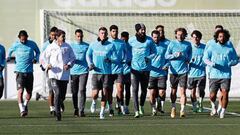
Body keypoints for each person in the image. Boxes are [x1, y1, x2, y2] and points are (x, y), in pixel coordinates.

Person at [41, 29, 75, 121]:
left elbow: (73, 58)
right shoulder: (50, 47)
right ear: (57, 37)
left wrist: (68, 65)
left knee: (62, 96)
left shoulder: (67, 47)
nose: (64, 38)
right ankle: (57, 113)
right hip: (53, 73)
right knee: (57, 92)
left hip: (64, 75)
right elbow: (43, 57)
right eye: (62, 36)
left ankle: (59, 103)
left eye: (64, 36)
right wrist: (46, 65)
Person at [203, 29, 238, 118]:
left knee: (225, 93)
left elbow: (236, 59)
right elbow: (205, 58)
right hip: (214, 75)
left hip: (226, 75)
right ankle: (214, 106)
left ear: (226, 37)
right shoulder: (212, 47)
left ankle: (223, 110)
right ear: (217, 38)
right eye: (220, 37)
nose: (222, 38)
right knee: (212, 95)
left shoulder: (229, 48)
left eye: (223, 36)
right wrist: (211, 64)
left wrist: (232, 62)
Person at [7, 30, 40, 117]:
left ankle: (25, 105)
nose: (23, 41)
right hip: (19, 71)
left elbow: (38, 52)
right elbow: (9, 51)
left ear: (27, 38)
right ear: (19, 38)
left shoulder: (32, 44)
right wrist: (8, 57)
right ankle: (22, 110)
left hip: (29, 71)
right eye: (22, 40)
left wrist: (36, 58)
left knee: (29, 93)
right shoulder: (16, 44)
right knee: (20, 91)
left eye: (25, 39)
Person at [87, 27, 117, 119]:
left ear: (107, 34)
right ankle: (94, 102)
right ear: (98, 34)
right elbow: (88, 55)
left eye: (104, 33)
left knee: (105, 92)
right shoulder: (93, 44)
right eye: (101, 33)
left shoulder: (111, 45)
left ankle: (102, 112)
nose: (103, 35)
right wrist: (90, 63)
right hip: (96, 72)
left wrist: (110, 59)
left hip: (107, 73)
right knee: (95, 93)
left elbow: (116, 58)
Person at [129, 23, 156, 118]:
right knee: (135, 90)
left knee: (144, 90)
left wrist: (149, 57)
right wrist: (128, 60)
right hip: (134, 69)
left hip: (146, 69)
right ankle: (136, 111)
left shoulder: (149, 40)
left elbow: (154, 52)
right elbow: (127, 51)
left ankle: (141, 106)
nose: (143, 31)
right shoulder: (131, 40)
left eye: (144, 29)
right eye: (141, 29)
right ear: (137, 30)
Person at [165, 27, 192, 118]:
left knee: (183, 91)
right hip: (173, 71)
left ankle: (182, 110)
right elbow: (166, 56)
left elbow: (189, 57)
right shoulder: (171, 44)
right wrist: (175, 55)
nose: (180, 36)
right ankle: (173, 107)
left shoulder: (188, 45)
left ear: (185, 35)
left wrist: (188, 59)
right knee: (173, 91)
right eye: (178, 34)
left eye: (182, 35)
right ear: (176, 35)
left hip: (183, 71)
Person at [148, 30, 169, 116]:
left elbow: (168, 58)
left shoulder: (164, 47)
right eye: (154, 37)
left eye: (157, 37)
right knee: (152, 93)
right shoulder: (148, 47)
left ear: (160, 37)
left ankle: (159, 104)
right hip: (151, 73)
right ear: (152, 37)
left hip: (162, 73)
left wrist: (167, 65)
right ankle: (153, 109)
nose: (156, 39)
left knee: (162, 92)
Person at [38, 26, 58, 116]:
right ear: (50, 35)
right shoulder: (46, 45)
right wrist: (43, 66)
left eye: (55, 35)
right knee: (51, 90)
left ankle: (59, 102)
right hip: (50, 71)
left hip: (59, 71)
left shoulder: (60, 44)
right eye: (52, 35)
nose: (53, 37)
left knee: (59, 90)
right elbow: (41, 58)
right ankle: (52, 108)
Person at [70, 29, 89, 117]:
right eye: (78, 36)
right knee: (74, 92)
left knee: (82, 90)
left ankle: (81, 110)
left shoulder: (87, 46)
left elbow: (90, 56)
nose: (79, 38)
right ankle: (76, 109)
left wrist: (91, 64)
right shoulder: (71, 46)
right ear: (75, 36)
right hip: (73, 71)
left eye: (81, 36)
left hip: (84, 71)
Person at [108, 25, 126, 116]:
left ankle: (119, 105)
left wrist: (125, 59)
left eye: (116, 31)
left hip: (119, 69)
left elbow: (126, 54)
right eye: (113, 31)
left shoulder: (122, 43)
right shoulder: (107, 43)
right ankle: (111, 108)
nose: (115, 33)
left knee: (120, 89)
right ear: (110, 32)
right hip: (109, 70)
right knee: (109, 91)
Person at [188, 30, 206, 113]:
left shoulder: (205, 47)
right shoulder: (189, 47)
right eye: (194, 37)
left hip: (202, 73)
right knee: (192, 91)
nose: (195, 39)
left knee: (201, 90)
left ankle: (201, 102)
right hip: (191, 73)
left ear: (200, 38)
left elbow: (208, 58)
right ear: (191, 38)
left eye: (197, 37)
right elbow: (186, 59)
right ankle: (194, 106)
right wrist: (189, 61)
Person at [155, 25, 170, 113]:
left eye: (162, 31)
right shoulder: (152, 42)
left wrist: (167, 64)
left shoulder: (168, 43)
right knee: (155, 90)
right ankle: (157, 105)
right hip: (153, 71)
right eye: (159, 31)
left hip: (163, 70)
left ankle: (161, 106)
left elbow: (170, 56)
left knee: (162, 90)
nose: (161, 33)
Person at [120, 31, 132, 114]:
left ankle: (126, 106)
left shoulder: (130, 47)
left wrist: (129, 61)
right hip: (119, 71)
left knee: (127, 89)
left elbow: (132, 57)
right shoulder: (119, 46)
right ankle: (120, 105)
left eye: (126, 38)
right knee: (120, 90)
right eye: (123, 38)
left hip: (128, 71)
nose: (124, 40)